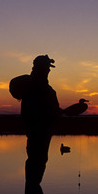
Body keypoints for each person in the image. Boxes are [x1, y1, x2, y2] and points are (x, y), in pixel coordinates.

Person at [20, 55, 62, 185]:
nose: (49, 71)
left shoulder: (35, 88)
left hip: (36, 132)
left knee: (36, 161)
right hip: (39, 133)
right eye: (47, 68)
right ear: (42, 69)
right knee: (37, 162)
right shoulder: (43, 90)